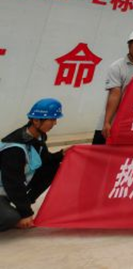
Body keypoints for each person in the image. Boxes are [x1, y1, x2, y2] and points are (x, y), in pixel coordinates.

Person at [1, 99, 67, 231]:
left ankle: (21, 204)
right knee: (10, 218)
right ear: (36, 120)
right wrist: (26, 213)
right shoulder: (14, 148)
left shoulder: (38, 137)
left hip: (9, 190)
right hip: (5, 189)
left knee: (53, 168)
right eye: (52, 119)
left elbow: (45, 160)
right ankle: (14, 213)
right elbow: (13, 183)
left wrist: (62, 154)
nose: (55, 123)